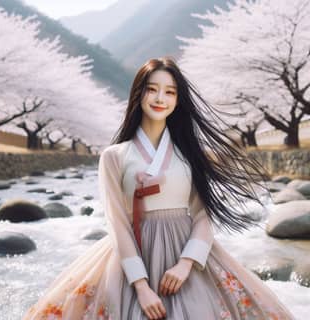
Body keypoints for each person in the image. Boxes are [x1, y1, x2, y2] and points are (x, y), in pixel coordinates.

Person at [23, 57, 295, 320]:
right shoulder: (114, 156)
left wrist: (186, 263)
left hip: (186, 254)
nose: (160, 99)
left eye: (170, 92)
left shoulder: (190, 155)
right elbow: (117, 223)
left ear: (178, 100)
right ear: (138, 94)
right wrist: (140, 286)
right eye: (151, 89)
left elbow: (203, 215)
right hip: (131, 256)